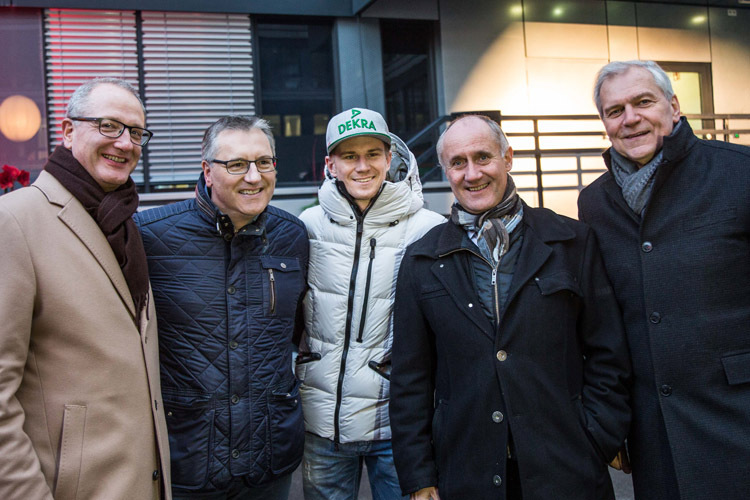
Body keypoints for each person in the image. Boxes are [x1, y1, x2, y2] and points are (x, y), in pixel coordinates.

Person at [390, 114, 632, 500]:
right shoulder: (421, 260)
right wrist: (419, 476)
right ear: (446, 171)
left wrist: (598, 437)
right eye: (458, 163)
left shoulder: (572, 242)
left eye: (483, 157)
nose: (472, 174)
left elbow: (609, 352)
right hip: (467, 470)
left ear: (508, 157)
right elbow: (410, 379)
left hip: (567, 469)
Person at [578, 60, 750, 500]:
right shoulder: (595, 202)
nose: (629, 118)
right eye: (614, 110)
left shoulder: (738, 172)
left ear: (674, 107)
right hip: (656, 433)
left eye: (643, 102)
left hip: (737, 419)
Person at [0, 78, 170, 499]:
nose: (125, 143)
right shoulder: (15, 221)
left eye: (135, 132)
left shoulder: (125, 223)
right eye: (109, 125)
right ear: (68, 130)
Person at [135, 115, 308, 499]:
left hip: (270, 456)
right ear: (207, 171)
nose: (253, 176)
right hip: (188, 457)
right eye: (236, 165)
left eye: (264, 162)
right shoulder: (150, 236)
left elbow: (300, 330)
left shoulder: (292, 235)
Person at [296, 108, 444, 500]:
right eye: (349, 156)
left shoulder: (428, 228)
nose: (362, 166)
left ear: (389, 158)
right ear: (331, 164)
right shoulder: (308, 226)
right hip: (323, 423)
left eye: (372, 154)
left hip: (398, 427)